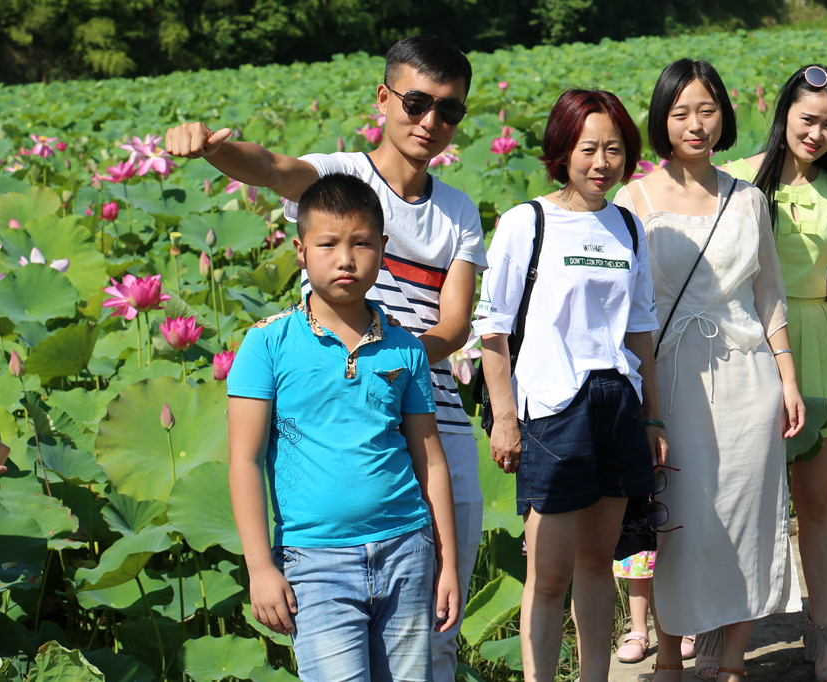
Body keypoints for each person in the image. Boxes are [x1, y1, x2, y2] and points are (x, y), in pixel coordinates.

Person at [165, 35, 485, 678]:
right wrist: (212, 148)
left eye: (448, 110)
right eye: (416, 103)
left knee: (437, 635)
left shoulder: (458, 211)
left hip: (431, 419)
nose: (430, 121)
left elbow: (454, 324)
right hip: (336, 424)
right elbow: (269, 167)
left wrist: (385, 360)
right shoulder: (339, 179)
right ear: (383, 97)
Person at [614, 58, 804, 682]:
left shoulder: (748, 198)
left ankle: (734, 659)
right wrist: (643, 406)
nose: (695, 124)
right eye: (680, 113)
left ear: (724, 115)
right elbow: (627, 311)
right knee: (680, 519)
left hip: (750, 375)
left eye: (707, 110)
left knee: (750, 513)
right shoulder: (633, 200)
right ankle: (670, 656)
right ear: (662, 120)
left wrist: (788, 378)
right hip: (673, 379)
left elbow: (768, 295)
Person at [227, 174, 460, 681]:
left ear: (383, 248)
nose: (346, 259)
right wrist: (260, 567)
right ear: (300, 251)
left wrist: (447, 562)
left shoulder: (406, 347)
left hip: (407, 548)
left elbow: (431, 460)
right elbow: (244, 461)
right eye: (328, 244)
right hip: (314, 562)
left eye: (362, 244)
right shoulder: (266, 344)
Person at [474, 88, 667, 682]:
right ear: (562, 150)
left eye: (614, 149)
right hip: (553, 407)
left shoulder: (628, 227)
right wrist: (504, 418)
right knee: (549, 573)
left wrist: (653, 417)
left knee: (597, 563)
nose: (602, 162)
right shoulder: (526, 223)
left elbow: (640, 331)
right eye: (588, 148)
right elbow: (492, 329)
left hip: (617, 402)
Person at [722, 63, 827, 682]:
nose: (816, 134)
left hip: (813, 341)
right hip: (744, 344)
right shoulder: (736, 178)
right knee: (738, 502)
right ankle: (722, 627)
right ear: (784, 112)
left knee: (813, 504)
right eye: (808, 120)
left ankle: (819, 630)